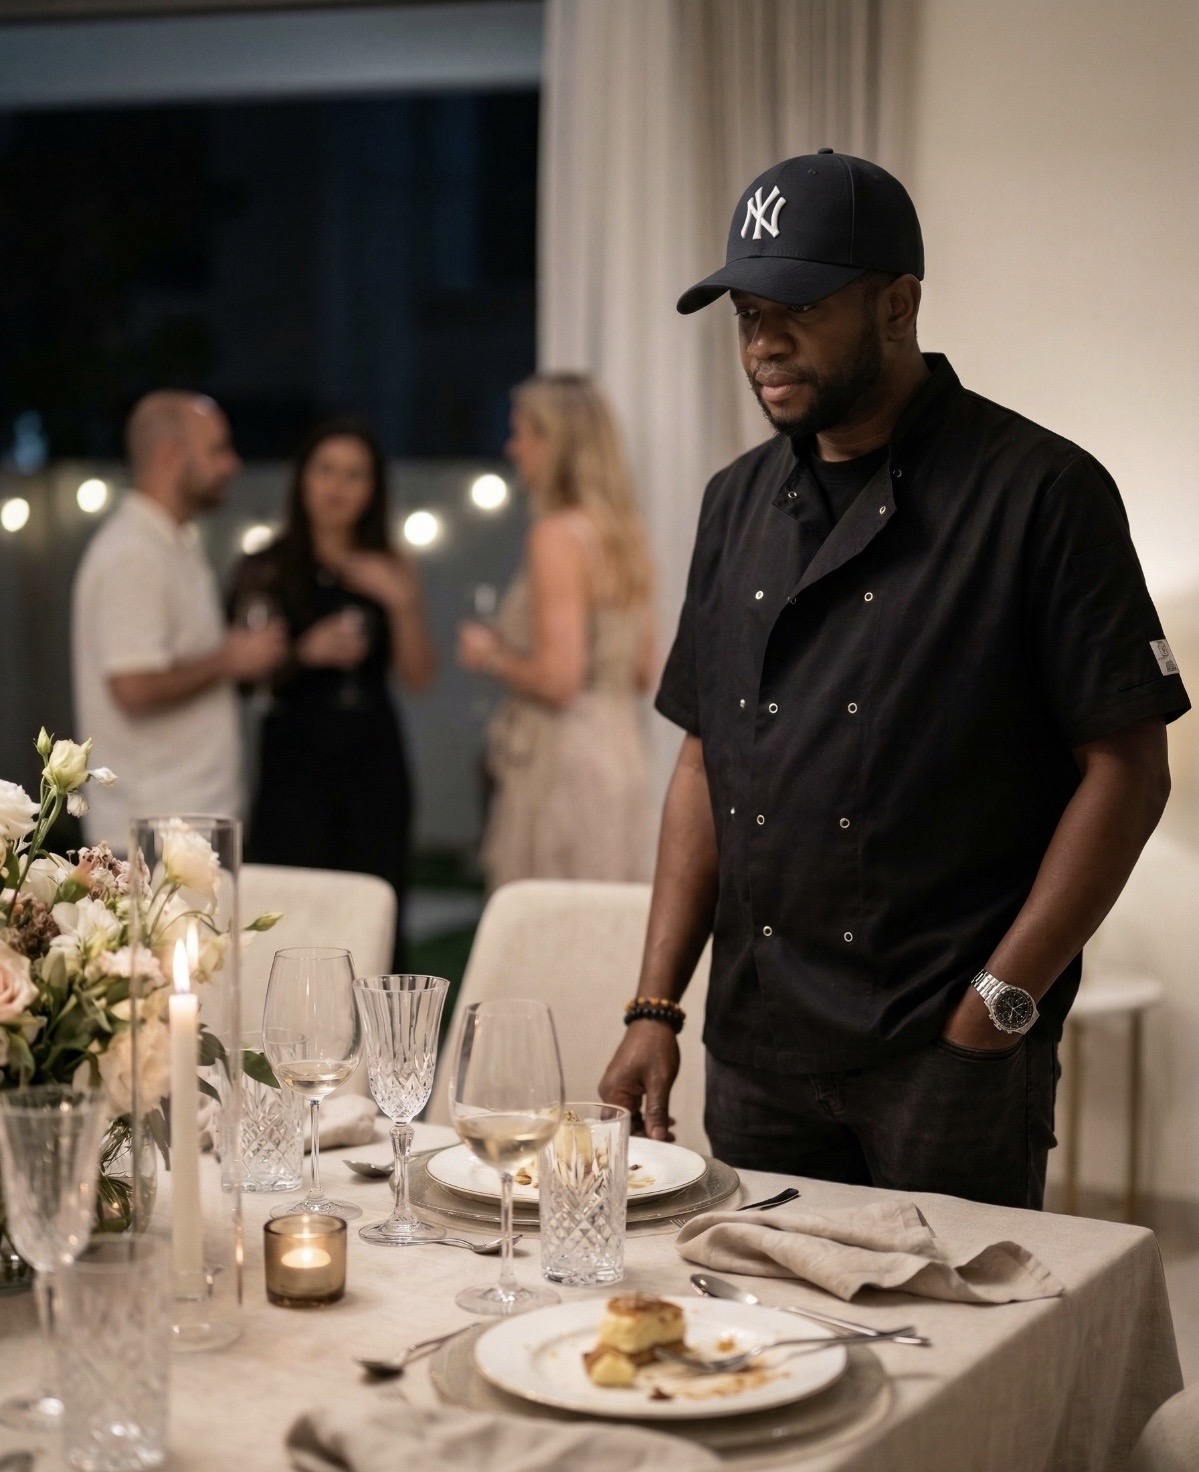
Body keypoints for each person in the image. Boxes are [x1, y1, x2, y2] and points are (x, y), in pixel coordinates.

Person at [598, 151, 1190, 1208]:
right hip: (757, 1050)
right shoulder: (734, 502)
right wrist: (655, 1006)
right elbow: (702, 760)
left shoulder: (1040, 491)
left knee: (951, 1314)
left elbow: (1128, 769)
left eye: (797, 309)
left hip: (941, 1054)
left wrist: (996, 1007)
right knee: (754, 1306)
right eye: (746, 314)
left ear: (896, 305)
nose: (762, 342)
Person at [230, 416, 435, 966]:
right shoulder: (267, 567)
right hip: (295, 759)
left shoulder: (390, 564)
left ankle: (378, 1024)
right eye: (326, 470)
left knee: (377, 910)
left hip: (374, 757)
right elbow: (242, 677)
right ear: (303, 478)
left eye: (354, 474)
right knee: (291, 913)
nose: (337, 487)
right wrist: (305, 652)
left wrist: (402, 601)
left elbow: (420, 676)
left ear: (373, 489)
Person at [457, 374, 656, 888]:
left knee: (551, 924)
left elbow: (560, 680)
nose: (512, 448)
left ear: (554, 443)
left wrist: (490, 654)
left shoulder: (557, 536)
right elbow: (643, 673)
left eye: (520, 433)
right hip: (621, 753)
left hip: (562, 763)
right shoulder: (627, 534)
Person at [72, 392, 286, 847]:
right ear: (171, 455)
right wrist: (230, 660)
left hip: (185, 819)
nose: (232, 464)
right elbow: (133, 686)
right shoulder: (133, 552)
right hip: (153, 826)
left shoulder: (171, 542)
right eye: (218, 449)